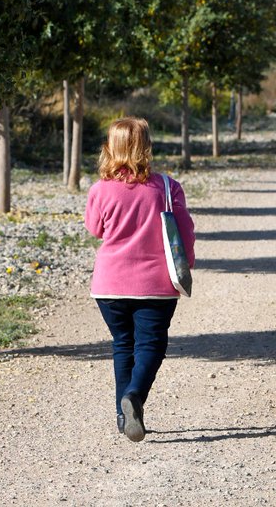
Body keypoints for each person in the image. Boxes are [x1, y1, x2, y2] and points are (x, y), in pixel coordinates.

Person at [84, 117, 196, 443]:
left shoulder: (100, 189)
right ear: (146, 145)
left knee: (123, 345)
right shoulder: (167, 188)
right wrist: (186, 263)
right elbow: (184, 234)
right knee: (152, 344)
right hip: (156, 284)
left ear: (112, 147)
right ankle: (134, 395)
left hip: (109, 284)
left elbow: (95, 230)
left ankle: (124, 416)